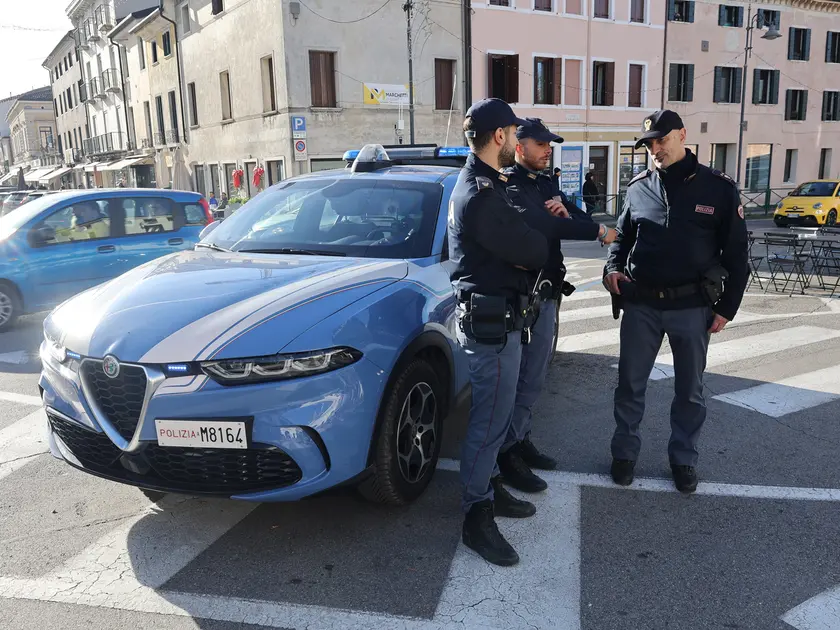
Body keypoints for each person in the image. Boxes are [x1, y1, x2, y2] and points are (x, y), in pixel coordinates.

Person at [603, 110, 749, 493]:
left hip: (691, 306)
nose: (655, 149)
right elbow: (621, 239)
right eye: (649, 143)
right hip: (643, 305)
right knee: (630, 385)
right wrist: (612, 269)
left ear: (682, 135)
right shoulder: (638, 187)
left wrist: (726, 309)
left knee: (689, 390)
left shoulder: (717, 188)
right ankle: (624, 454)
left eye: (662, 140)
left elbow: (736, 255)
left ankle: (683, 459)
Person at [448, 98, 549, 567]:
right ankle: (476, 515)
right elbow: (532, 248)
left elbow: (526, 241)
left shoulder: (490, 185)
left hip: (502, 320)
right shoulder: (480, 194)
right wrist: (533, 242)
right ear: (499, 137)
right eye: (512, 131)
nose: (516, 137)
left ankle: (488, 490)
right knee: (488, 424)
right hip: (490, 324)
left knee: (498, 416)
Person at [499, 118, 617, 493]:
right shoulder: (509, 186)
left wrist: (571, 216)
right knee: (518, 381)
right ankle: (507, 454)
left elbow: (575, 216)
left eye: (550, 143)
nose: (548, 149)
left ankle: (520, 439)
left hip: (547, 295)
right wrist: (597, 231)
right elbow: (545, 227)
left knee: (535, 378)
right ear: (520, 147)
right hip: (521, 297)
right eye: (541, 144)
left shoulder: (547, 183)